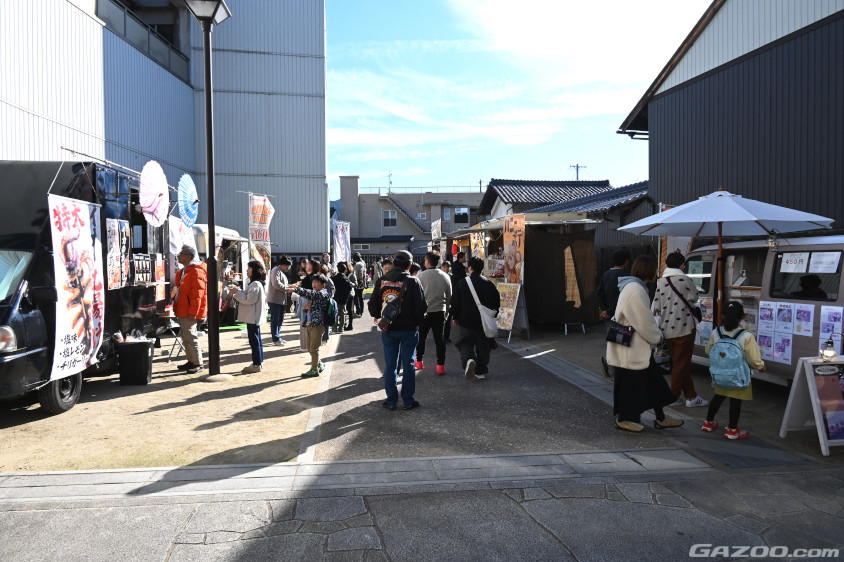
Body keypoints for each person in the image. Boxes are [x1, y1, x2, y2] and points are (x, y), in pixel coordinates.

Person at [607, 255, 683, 432]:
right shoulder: (636, 290)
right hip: (632, 348)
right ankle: (625, 420)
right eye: (655, 269)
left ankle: (661, 418)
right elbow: (644, 322)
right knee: (631, 386)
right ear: (648, 270)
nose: (657, 272)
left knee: (654, 383)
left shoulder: (633, 286)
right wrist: (658, 337)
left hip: (634, 347)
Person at [368, 250, 426, 411]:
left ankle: (391, 400)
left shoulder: (382, 280)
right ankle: (408, 400)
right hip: (409, 329)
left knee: (390, 365)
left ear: (393, 263)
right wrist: (418, 322)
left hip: (389, 328)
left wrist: (379, 315)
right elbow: (422, 307)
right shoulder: (413, 282)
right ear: (409, 265)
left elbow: (372, 305)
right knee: (408, 364)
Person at [652, 251, 709, 408]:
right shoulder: (685, 279)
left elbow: (656, 305)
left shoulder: (660, 282)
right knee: (681, 364)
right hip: (684, 328)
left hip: (667, 329)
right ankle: (673, 397)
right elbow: (695, 297)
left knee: (680, 363)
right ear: (682, 265)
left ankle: (691, 396)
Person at [702, 301, 766, 439]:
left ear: (722, 316)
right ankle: (732, 430)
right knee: (735, 402)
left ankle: (708, 423)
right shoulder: (746, 336)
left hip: (720, 374)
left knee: (718, 397)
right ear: (742, 316)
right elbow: (753, 359)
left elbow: (708, 351)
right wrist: (761, 366)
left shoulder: (716, 332)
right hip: (739, 376)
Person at [450, 256, 500, 381]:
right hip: (484, 322)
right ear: (482, 269)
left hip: (466, 320)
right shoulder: (489, 284)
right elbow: (496, 302)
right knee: (483, 346)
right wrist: (493, 315)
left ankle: (469, 359)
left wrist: (455, 316)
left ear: (470, 268)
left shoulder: (462, 283)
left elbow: (455, 302)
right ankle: (481, 371)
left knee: (465, 342)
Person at [414, 252, 452, 375]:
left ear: (428, 262)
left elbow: (416, 297)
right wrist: (446, 313)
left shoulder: (420, 276)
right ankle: (440, 366)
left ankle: (419, 361)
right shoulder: (445, 276)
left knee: (421, 338)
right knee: (439, 340)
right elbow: (449, 296)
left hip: (424, 313)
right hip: (439, 311)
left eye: (425, 259)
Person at [228, 260, 268, 374]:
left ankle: (256, 364)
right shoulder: (257, 283)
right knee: (257, 339)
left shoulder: (255, 284)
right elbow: (248, 296)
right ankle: (258, 362)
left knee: (254, 340)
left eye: (249, 268)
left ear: (255, 270)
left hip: (252, 316)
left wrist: (236, 292)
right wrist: (238, 291)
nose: (247, 271)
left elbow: (248, 299)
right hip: (254, 316)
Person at [288, 274, 331, 378]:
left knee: (314, 348)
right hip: (310, 323)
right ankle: (319, 364)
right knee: (309, 347)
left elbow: (309, 293)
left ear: (323, 285)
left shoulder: (322, 294)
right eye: (313, 282)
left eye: (316, 282)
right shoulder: (315, 294)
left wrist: (296, 289)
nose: (314, 284)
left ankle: (314, 369)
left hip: (318, 325)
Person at [173, 245, 207, 374]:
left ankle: (198, 363)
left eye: (181, 254)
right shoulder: (185, 270)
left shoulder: (196, 271)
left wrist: (194, 312)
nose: (178, 256)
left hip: (188, 310)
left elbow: (197, 294)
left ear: (188, 256)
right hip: (183, 308)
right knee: (186, 336)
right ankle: (192, 361)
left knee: (191, 336)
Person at [597, 249, 630, 378]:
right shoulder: (624, 276)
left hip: (608, 315)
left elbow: (599, 293)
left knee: (611, 342)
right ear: (626, 261)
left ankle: (610, 368)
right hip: (620, 315)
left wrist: (605, 310)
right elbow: (621, 298)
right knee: (621, 343)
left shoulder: (606, 274)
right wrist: (610, 310)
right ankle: (615, 372)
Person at [267, 256, 291, 346]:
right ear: (284, 264)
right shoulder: (276, 270)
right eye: (288, 266)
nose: (288, 268)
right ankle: (276, 338)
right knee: (275, 320)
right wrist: (287, 289)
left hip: (280, 300)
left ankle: (277, 337)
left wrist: (290, 286)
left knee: (280, 320)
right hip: (274, 299)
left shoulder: (280, 271)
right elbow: (276, 284)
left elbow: (282, 284)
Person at [331, 263, 353, 333]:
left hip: (336, 297)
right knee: (342, 313)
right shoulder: (346, 278)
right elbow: (350, 287)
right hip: (344, 298)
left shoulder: (334, 278)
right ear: (345, 270)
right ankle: (341, 328)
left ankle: (334, 328)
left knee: (335, 313)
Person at [440, 261, 454, 343]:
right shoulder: (439, 276)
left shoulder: (452, 277)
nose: (446, 269)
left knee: (448, 320)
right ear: (441, 267)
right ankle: (440, 337)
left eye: (448, 267)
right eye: (444, 267)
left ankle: (446, 337)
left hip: (449, 301)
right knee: (440, 320)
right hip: (441, 300)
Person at [344, 261, 357, 330]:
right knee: (343, 310)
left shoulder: (351, 275)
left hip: (349, 294)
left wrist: (349, 283)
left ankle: (350, 325)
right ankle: (343, 324)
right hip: (343, 294)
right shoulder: (341, 274)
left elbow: (356, 284)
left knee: (349, 310)